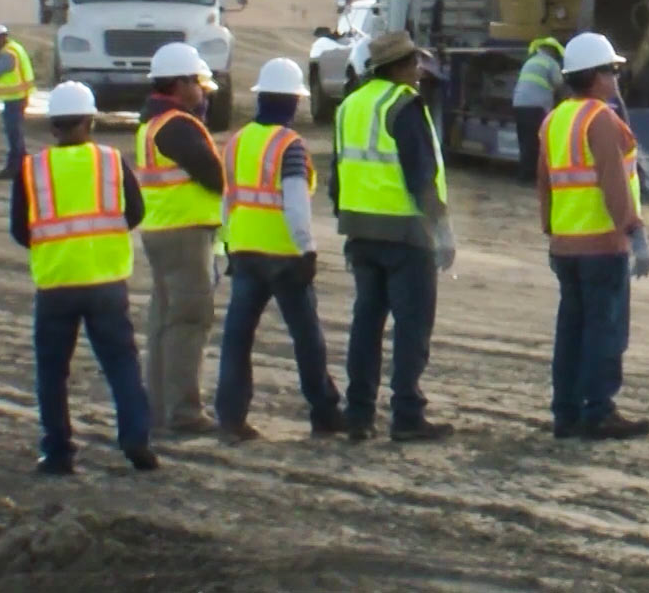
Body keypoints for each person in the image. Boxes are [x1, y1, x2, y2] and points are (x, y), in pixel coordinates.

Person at [14, 81, 160, 475]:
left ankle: (58, 452)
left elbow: (19, 229)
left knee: (52, 372)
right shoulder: (111, 161)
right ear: (89, 121)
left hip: (56, 283)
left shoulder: (32, 169)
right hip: (106, 282)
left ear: (53, 125)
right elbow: (136, 212)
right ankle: (135, 439)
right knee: (121, 366)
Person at [331, 31, 455, 443]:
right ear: (398, 67)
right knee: (411, 328)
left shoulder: (350, 105)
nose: (419, 71)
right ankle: (406, 414)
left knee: (366, 323)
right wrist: (441, 229)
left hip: (360, 232)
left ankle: (359, 414)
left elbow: (338, 173)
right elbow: (420, 175)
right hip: (405, 235)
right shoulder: (403, 105)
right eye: (413, 63)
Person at [214, 58, 346, 443]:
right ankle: (323, 412)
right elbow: (294, 203)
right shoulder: (289, 145)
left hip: (244, 251)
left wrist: (225, 244)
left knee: (237, 338)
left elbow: (228, 199)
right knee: (306, 337)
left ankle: (231, 417)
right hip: (284, 256)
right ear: (292, 101)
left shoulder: (238, 141)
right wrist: (307, 249)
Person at [540, 32, 649, 440]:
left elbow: (546, 183)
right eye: (613, 69)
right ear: (597, 76)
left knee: (571, 329)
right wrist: (635, 233)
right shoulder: (601, 119)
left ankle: (566, 412)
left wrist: (550, 231)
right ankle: (599, 410)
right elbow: (614, 183)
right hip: (603, 245)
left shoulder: (554, 119)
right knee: (605, 330)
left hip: (566, 245)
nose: (617, 77)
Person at [134, 42, 226, 436]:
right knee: (190, 320)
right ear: (180, 83)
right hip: (184, 234)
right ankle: (184, 412)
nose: (203, 92)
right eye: (198, 84)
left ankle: (158, 409)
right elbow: (213, 175)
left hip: (161, 230)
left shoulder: (151, 123)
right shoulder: (176, 125)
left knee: (164, 322)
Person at [511, 36, 567, 184]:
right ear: (553, 51)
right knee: (537, 142)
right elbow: (559, 85)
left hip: (519, 105)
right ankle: (531, 178)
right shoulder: (551, 63)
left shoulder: (530, 61)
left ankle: (523, 175)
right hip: (536, 107)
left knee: (524, 141)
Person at [0, 23, 34, 179]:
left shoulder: (7, 53)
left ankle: (15, 168)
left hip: (15, 98)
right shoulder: (14, 48)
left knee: (14, 135)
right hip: (18, 97)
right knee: (16, 134)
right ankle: (23, 165)